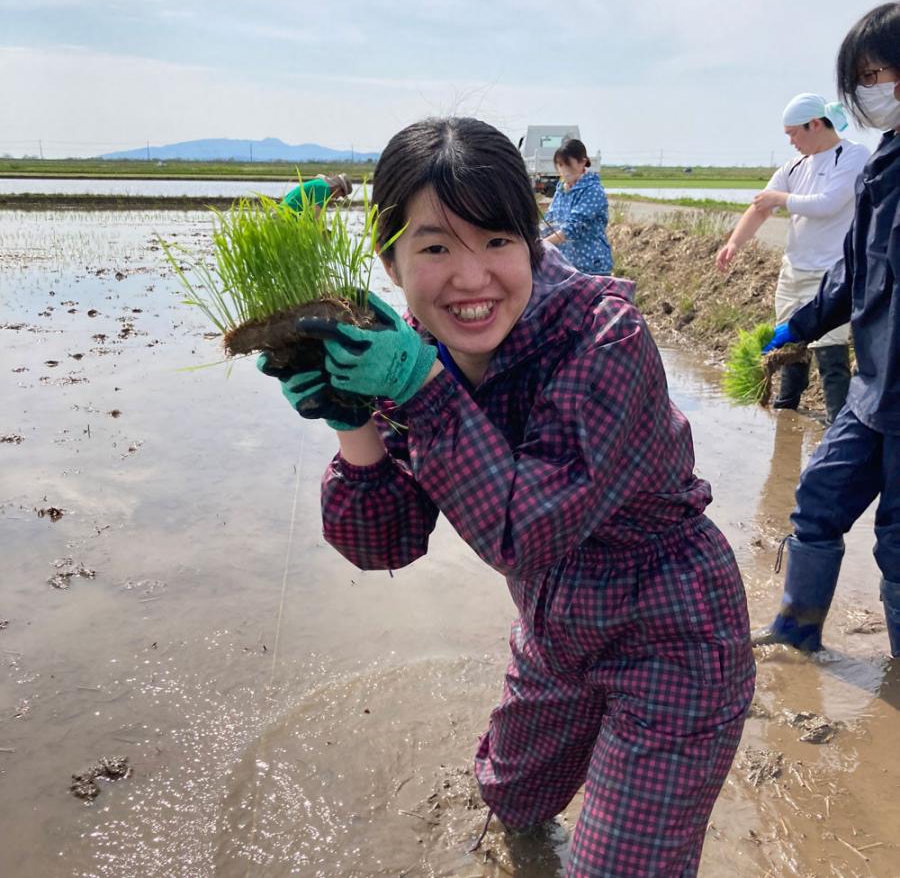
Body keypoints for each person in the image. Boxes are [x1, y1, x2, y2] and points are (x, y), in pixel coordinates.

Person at [258, 116, 755, 876]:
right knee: (509, 804)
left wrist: (422, 393)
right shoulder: (408, 350)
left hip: (672, 636)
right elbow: (385, 543)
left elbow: (528, 532)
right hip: (554, 633)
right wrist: (352, 421)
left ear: (531, 242)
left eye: (497, 241)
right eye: (434, 247)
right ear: (390, 262)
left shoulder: (603, 338)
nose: (471, 277)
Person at [753, 1, 900, 658]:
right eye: (862, 77)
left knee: (897, 542)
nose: (870, 91)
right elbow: (853, 275)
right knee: (816, 500)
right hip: (874, 391)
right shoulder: (885, 167)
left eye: (877, 72)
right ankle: (796, 631)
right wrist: (795, 330)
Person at [715, 93, 869, 425]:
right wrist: (734, 244)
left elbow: (828, 203)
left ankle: (837, 426)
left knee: (830, 353)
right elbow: (761, 207)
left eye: (793, 134)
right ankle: (786, 415)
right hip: (794, 272)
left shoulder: (853, 156)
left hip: (833, 276)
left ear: (815, 124)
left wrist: (780, 198)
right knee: (790, 348)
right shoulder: (795, 166)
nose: (791, 142)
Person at [543, 138, 613, 275]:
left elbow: (573, 227)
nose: (563, 171)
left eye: (568, 165)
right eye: (560, 165)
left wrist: (543, 244)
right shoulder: (562, 189)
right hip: (565, 265)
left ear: (582, 162)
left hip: (591, 267)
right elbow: (550, 220)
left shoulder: (593, 191)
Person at [281, 173, 352, 212]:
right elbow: (315, 217)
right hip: (286, 215)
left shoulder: (320, 183)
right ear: (338, 188)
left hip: (281, 211)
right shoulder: (324, 189)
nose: (337, 198)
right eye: (340, 195)